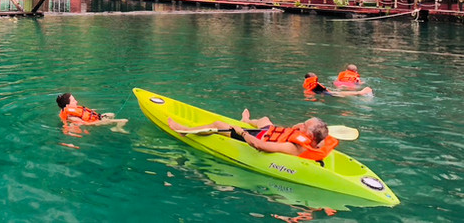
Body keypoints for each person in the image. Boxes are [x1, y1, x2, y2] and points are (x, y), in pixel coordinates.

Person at [167, 109, 337, 160]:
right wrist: (301, 127)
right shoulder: (318, 140)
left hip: (256, 138)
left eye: (304, 126)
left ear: (309, 135)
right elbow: (300, 131)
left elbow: (260, 145)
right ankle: (246, 120)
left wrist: (241, 132)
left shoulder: (292, 146)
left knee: (218, 125)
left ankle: (183, 132)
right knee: (264, 119)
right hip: (267, 133)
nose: (300, 126)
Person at [56, 93, 128, 132]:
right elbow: (86, 124)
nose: (76, 101)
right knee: (124, 120)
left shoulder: (73, 110)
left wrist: (91, 112)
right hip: (94, 123)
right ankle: (117, 128)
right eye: (73, 101)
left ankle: (114, 126)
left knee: (112, 114)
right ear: (68, 105)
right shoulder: (72, 117)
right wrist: (103, 121)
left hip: (95, 118)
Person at [305, 72, 372, 97]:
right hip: (326, 93)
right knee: (340, 93)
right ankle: (360, 92)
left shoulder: (309, 85)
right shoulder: (314, 84)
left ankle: (359, 93)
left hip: (324, 93)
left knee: (340, 93)